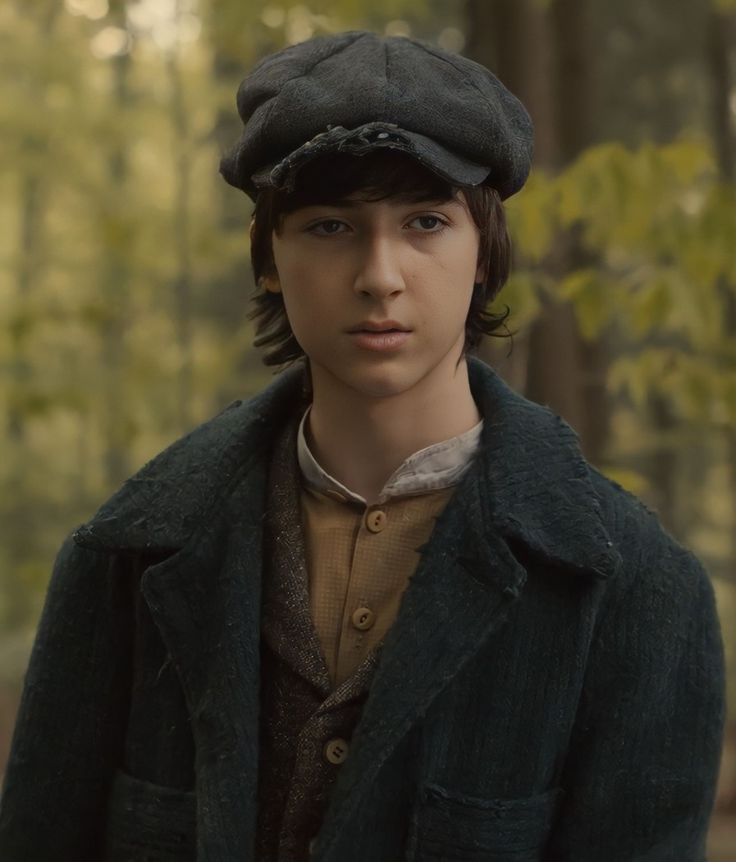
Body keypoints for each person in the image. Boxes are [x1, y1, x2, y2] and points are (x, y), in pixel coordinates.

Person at [0, 29, 726, 862]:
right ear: (268, 259)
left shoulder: (634, 590)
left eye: (425, 222)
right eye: (329, 227)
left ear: (483, 254)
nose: (381, 275)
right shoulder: (125, 557)